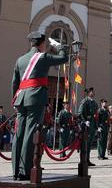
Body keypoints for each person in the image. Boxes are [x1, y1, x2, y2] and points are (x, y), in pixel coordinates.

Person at [10, 32, 68, 181]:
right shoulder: (43, 57)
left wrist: (15, 100)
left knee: (19, 134)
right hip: (35, 98)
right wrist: (59, 46)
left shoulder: (20, 60)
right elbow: (63, 58)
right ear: (42, 44)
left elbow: (15, 83)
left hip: (21, 99)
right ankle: (25, 170)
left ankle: (16, 169)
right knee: (30, 134)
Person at [78, 87, 98, 167]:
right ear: (88, 93)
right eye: (91, 92)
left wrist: (96, 126)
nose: (93, 93)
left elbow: (96, 115)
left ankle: (87, 160)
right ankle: (83, 160)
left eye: (93, 91)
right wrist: (85, 121)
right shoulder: (85, 101)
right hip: (87, 125)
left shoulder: (94, 103)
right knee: (85, 144)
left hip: (92, 126)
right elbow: (80, 113)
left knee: (89, 144)